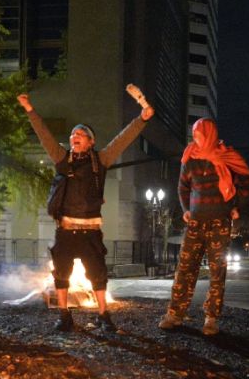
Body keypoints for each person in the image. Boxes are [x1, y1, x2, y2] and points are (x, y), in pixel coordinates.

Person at [17, 92, 154, 332]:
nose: (74, 136)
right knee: (61, 275)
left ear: (91, 141)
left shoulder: (101, 161)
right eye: (72, 134)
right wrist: (30, 109)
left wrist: (142, 119)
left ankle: (103, 315)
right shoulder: (62, 159)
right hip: (66, 231)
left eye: (80, 134)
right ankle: (64, 316)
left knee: (98, 276)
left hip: (91, 232)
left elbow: (122, 140)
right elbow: (45, 136)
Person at [158, 118, 249, 336]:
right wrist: (186, 209)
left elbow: (246, 180)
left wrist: (237, 206)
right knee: (185, 269)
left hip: (220, 222)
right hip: (195, 222)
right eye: (194, 134)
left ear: (209, 134)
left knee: (217, 271)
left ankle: (211, 318)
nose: (195, 138)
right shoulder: (190, 158)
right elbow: (183, 187)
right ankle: (175, 314)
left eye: (199, 134)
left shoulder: (227, 158)